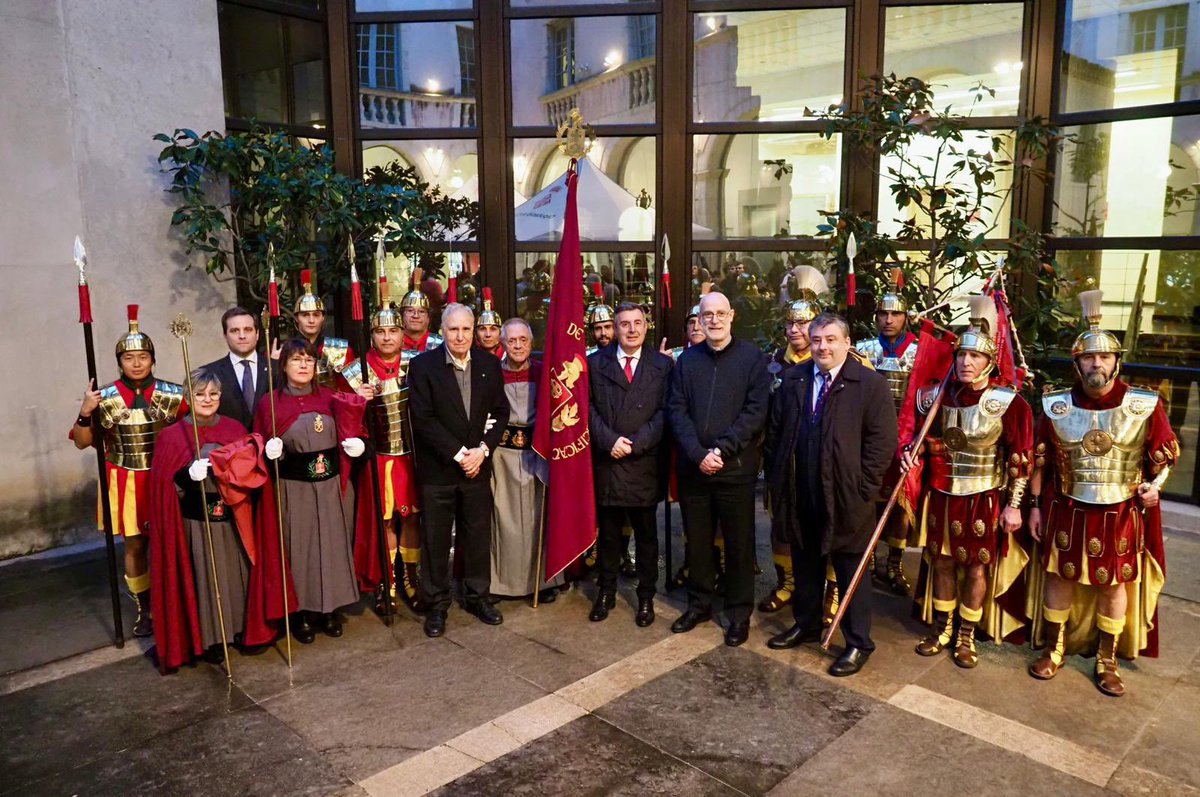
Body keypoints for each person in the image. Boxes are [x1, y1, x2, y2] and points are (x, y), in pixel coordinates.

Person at [1027, 289, 1180, 697]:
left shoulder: (1144, 404)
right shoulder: (1055, 404)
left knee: (1115, 583)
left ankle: (1107, 658)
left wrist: (1154, 487)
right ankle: (1055, 647)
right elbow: (1038, 460)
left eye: (1104, 357)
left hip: (1120, 509)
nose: (1097, 363)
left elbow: (1164, 458)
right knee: (1059, 575)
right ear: (1077, 364)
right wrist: (1034, 507)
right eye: (1088, 357)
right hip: (1066, 504)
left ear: (1116, 362)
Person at [900, 296, 1033, 668]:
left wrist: (1014, 506)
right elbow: (920, 437)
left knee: (975, 567)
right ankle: (943, 626)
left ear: (990, 362)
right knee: (941, 561)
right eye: (961, 356)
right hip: (942, 492)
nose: (965, 362)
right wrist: (915, 453)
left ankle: (966, 634)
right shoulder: (938, 396)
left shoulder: (1009, 403)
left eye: (974, 357)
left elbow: (1020, 461)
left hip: (983, 495)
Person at [763, 312, 896, 677]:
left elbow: (882, 444)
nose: (822, 346)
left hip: (847, 496)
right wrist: (778, 479)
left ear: (847, 343)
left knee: (850, 569)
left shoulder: (869, 385)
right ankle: (806, 624)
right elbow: (776, 433)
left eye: (831, 339)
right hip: (800, 489)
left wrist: (863, 488)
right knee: (806, 563)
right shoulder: (794, 380)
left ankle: (857, 643)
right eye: (817, 339)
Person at [71, 305, 187, 637]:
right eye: (128, 357)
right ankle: (145, 608)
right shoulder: (102, 397)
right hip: (124, 479)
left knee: (171, 542)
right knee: (135, 546)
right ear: (119, 361)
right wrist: (84, 413)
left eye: (143, 357)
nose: (136, 363)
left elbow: (192, 431)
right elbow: (82, 442)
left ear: (153, 359)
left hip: (165, 478)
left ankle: (175, 602)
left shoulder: (171, 393)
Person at [667, 292, 771, 647]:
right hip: (695, 469)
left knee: (739, 545)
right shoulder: (687, 361)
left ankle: (739, 613)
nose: (713, 320)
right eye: (705, 315)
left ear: (732, 316)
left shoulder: (752, 360)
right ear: (698, 319)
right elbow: (676, 411)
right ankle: (699, 604)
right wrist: (698, 454)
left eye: (719, 313)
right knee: (697, 543)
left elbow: (755, 413)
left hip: (735, 470)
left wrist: (721, 451)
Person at [249, 339, 367, 645]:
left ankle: (329, 608)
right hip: (293, 488)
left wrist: (358, 444)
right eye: (296, 360)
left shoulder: (330, 397)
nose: (303, 365)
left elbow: (353, 429)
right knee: (298, 549)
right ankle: (299, 611)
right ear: (283, 365)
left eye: (309, 360)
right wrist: (268, 451)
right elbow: (256, 447)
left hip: (330, 486)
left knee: (331, 545)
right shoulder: (270, 403)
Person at [147, 369, 266, 671]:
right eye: (200, 394)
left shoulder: (234, 427)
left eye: (213, 394)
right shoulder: (172, 437)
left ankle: (240, 629)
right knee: (206, 576)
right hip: (195, 523)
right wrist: (185, 475)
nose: (207, 399)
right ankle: (213, 637)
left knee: (236, 573)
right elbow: (163, 486)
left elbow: (250, 470)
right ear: (188, 397)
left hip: (231, 517)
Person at [408, 303, 510, 638]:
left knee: (477, 536)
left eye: (467, 329)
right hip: (439, 471)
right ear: (442, 330)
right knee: (436, 541)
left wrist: (482, 451)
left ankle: (478, 597)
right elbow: (422, 418)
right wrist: (458, 454)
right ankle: (436, 605)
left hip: (477, 469)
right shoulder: (423, 366)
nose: (461, 336)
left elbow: (500, 412)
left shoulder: (490, 364)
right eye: (454, 329)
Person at [589, 303, 672, 626]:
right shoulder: (595, 364)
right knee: (608, 534)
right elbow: (588, 409)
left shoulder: (662, 366)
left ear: (646, 326)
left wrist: (637, 443)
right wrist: (609, 441)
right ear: (616, 327)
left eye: (638, 323)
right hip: (608, 460)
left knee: (646, 536)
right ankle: (606, 591)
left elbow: (666, 411)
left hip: (644, 462)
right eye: (625, 324)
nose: (632, 329)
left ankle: (646, 596)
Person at [342, 293, 424, 613]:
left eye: (393, 331)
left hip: (412, 455)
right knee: (385, 522)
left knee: (413, 517)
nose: (387, 337)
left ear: (403, 334)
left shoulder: (417, 363)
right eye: (380, 332)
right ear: (372, 335)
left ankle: (411, 578)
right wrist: (357, 402)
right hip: (378, 458)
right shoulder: (355, 371)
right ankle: (386, 581)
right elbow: (346, 421)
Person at [760, 266, 827, 614]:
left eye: (802, 324)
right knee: (781, 525)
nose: (795, 330)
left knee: (822, 526)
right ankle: (785, 583)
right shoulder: (772, 363)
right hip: (780, 461)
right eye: (790, 324)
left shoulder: (831, 364)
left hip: (820, 462)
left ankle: (825, 591)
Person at [855, 269, 919, 595]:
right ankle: (866, 559)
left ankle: (894, 562)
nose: (889, 319)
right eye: (884, 313)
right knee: (868, 499)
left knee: (900, 506)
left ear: (906, 316)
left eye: (895, 313)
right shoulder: (863, 349)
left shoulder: (919, 351)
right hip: (869, 438)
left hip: (906, 439)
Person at [490, 318, 563, 601]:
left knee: (538, 518)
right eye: (511, 340)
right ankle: (502, 584)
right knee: (503, 519)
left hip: (537, 454)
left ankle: (543, 582)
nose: (518, 345)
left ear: (531, 343)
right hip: (502, 456)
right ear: (502, 343)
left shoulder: (544, 373)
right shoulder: (492, 374)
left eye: (523, 340)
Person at [200, 307, 271, 430]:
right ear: (225, 336)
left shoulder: (275, 368)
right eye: (234, 331)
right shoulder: (208, 373)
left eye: (248, 330)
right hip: (228, 445)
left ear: (258, 334)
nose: (242, 336)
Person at [292, 270, 353, 388]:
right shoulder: (286, 350)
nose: (311, 320)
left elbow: (347, 392)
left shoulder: (340, 350)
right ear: (296, 318)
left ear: (323, 317)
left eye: (316, 315)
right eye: (305, 315)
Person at [400, 275, 445, 354]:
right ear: (402, 315)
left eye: (421, 311)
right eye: (410, 310)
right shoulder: (393, 344)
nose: (416, 316)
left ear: (428, 317)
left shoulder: (442, 345)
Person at [474, 287, 503, 358]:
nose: (488, 334)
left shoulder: (509, 358)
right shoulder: (470, 358)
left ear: (500, 332)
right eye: (482, 329)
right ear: (476, 333)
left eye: (493, 329)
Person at [586, 284, 615, 355]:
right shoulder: (587, 356)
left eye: (607, 327)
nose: (603, 333)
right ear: (592, 332)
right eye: (598, 328)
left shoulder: (624, 354)